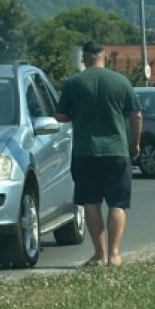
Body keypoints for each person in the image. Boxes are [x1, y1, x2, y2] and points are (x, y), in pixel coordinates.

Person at [54, 41, 142, 267]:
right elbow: (136, 116)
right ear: (104, 56)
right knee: (118, 203)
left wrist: (78, 115)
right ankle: (114, 255)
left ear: (85, 58)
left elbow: (60, 116)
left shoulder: (74, 83)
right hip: (116, 150)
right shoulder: (121, 81)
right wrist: (135, 143)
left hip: (85, 151)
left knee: (91, 203)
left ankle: (98, 253)